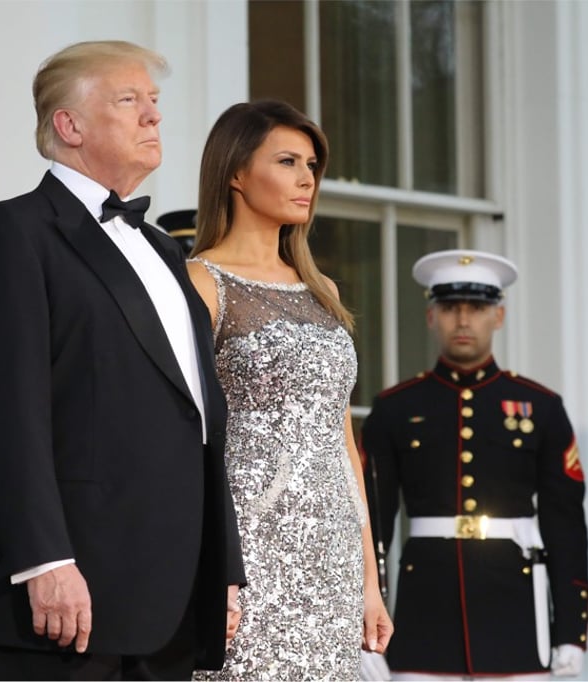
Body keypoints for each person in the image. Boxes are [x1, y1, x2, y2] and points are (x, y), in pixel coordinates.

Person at [0, 41, 245, 681]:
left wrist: (223, 565)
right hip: (57, 602)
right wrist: (44, 561)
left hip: (170, 600)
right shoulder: (9, 231)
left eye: (154, 102)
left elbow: (198, 417)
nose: (153, 117)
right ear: (67, 125)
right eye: (129, 100)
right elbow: (5, 414)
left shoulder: (162, 250)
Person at [186, 99, 393, 680]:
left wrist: (369, 582)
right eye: (287, 161)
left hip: (330, 548)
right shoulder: (201, 281)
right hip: (247, 543)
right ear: (234, 171)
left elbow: (344, 442)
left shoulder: (321, 286)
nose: (307, 179)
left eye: (311, 165)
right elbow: (184, 435)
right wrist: (210, 569)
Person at [361, 249, 588, 679]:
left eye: (478, 308)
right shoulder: (396, 408)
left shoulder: (541, 407)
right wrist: (365, 623)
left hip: (516, 613)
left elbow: (566, 525)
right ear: (431, 317)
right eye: (449, 308)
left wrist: (571, 631)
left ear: (498, 317)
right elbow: (372, 524)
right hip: (424, 613)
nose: (463, 321)